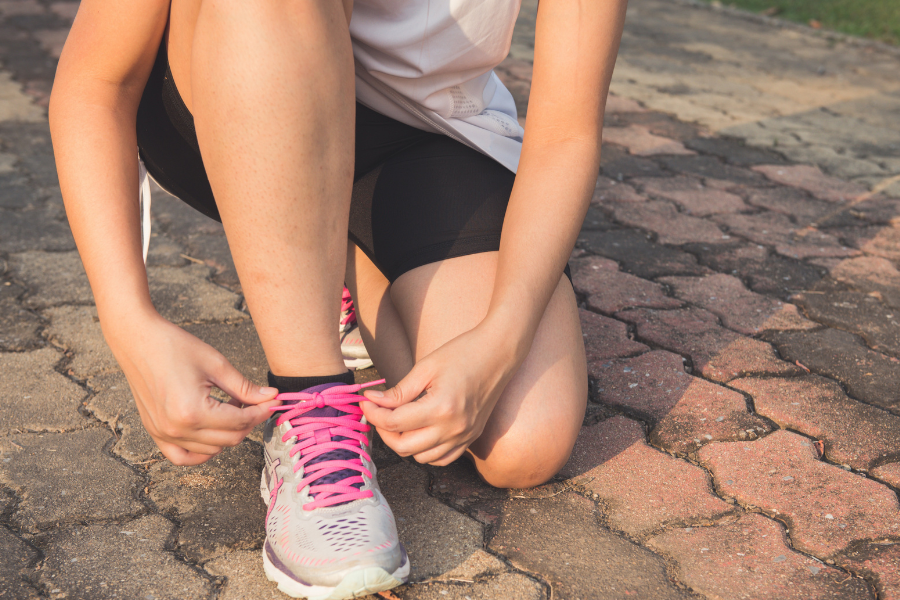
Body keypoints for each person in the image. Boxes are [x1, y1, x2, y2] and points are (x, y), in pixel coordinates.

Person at [49, 0, 627, 597]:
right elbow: (97, 82)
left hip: (423, 129)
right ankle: (312, 403)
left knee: (521, 440)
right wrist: (128, 320)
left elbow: (567, 131)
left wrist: (501, 338)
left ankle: (324, 260)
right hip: (231, 73)